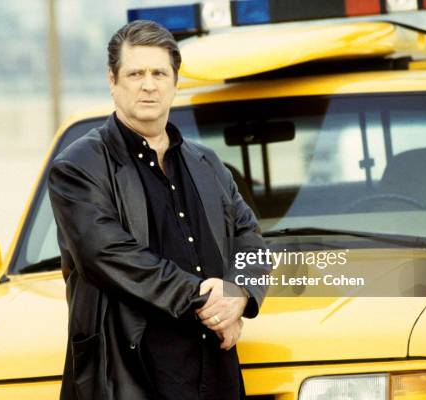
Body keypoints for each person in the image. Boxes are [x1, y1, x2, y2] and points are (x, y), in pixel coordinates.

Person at [48, 20, 270, 400]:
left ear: (174, 82)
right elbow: (108, 254)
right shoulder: (78, 167)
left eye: (158, 73)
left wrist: (240, 292)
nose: (148, 84)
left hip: (216, 374)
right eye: (135, 73)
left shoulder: (208, 164)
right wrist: (207, 300)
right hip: (129, 378)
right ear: (112, 81)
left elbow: (250, 238)